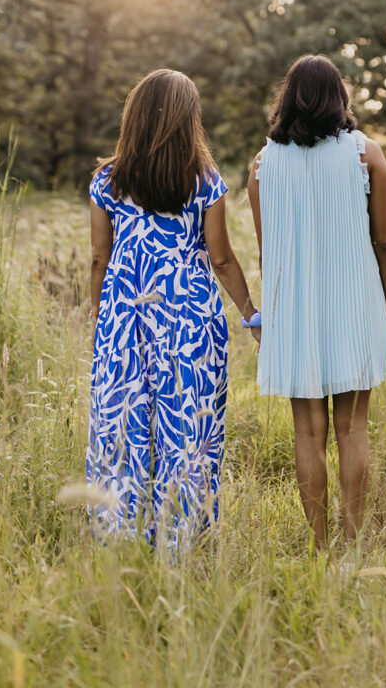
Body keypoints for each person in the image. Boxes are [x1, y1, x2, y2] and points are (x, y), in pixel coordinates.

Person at [88, 69, 259, 551]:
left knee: (123, 428)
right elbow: (221, 259)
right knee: (189, 430)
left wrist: (101, 322)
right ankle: (183, 543)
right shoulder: (203, 180)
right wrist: (251, 315)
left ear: (135, 118)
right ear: (188, 121)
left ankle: (121, 541)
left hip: (125, 321)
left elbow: (100, 258)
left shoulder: (107, 180)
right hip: (191, 323)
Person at [247, 54, 386, 549]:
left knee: (306, 434)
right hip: (355, 307)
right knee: (353, 430)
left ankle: (320, 549)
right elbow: (384, 243)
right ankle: (352, 546)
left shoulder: (261, 165)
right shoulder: (366, 154)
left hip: (294, 313)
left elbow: (269, 253)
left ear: (287, 99)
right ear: (341, 97)